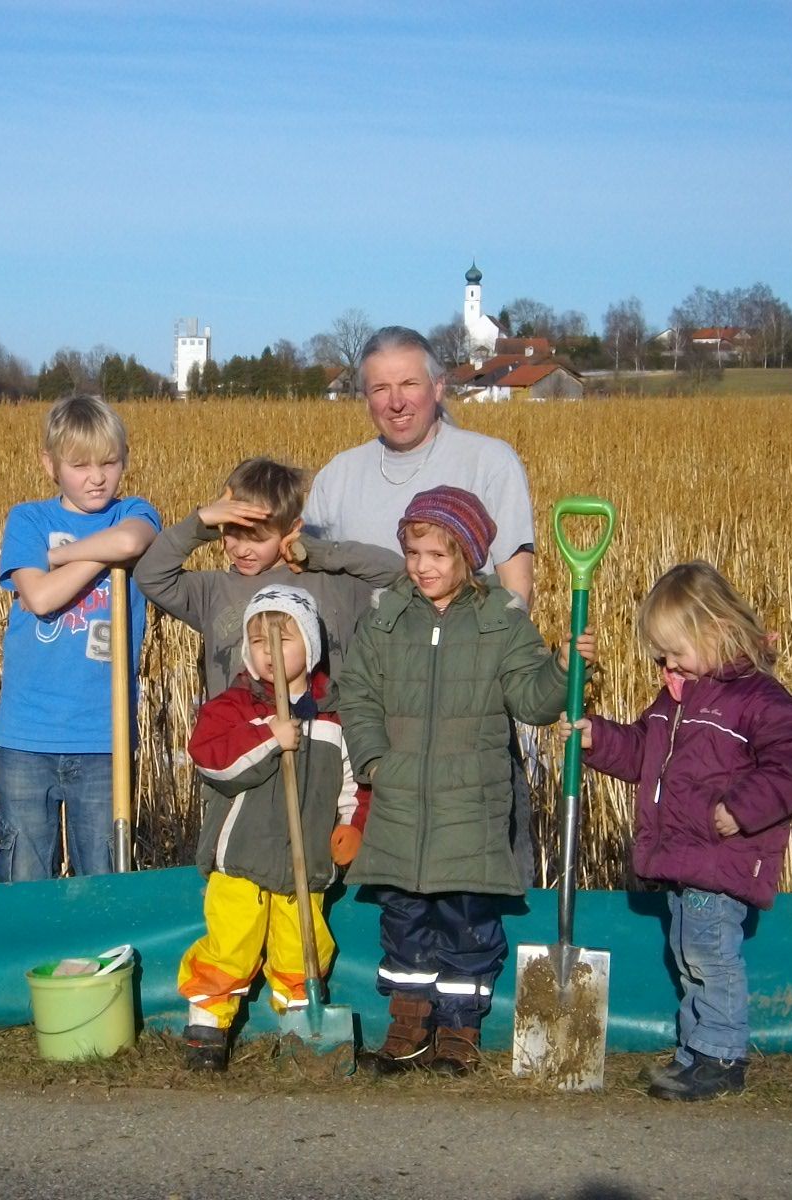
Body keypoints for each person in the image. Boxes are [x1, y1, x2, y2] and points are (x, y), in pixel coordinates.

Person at [338, 486, 589, 1075]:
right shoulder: (385, 617)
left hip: (471, 806)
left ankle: (459, 1034)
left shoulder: (500, 622)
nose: (423, 567)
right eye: (413, 553)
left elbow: (532, 702)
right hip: (401, 802)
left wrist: (562, 669)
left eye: (438, 556)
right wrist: (374, 761)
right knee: (403, 926)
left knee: (467, 926)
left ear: (468, 557)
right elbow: (357, 692)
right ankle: (407, 1029)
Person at [573, 561, 792, 1101]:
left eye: (675, 651)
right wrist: (598, 740)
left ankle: (722, 1056)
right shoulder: (676, 700)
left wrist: (742, 808)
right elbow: (643, 748)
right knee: (690, 956)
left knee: (709, 955)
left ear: (716, 630)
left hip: (722, 856)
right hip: (687, 858)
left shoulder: (758, 699)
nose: (667, 665)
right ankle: (695, 1052)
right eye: (660, 656)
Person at [304, 325, 542, 881]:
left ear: (438, 386)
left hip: (465, 708)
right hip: (370, 711)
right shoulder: (339, 476)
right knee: (373, 860)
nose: (396, 400)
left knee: (483, 864)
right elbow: (306, 576)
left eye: (409, 383)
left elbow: (515, 588)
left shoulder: (488, 461)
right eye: (379, 388)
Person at [176, 585, 361, 1071]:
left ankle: (303, 1032)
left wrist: (350, 825)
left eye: (284, 640)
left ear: (311, 649)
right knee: (229, 948)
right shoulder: (233, 708)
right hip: (242, 862)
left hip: (306, 868)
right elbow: (213, 762)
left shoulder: (332, 719)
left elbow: (350, 783)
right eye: (259, 642)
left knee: (304, 948)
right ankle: (207, 1029)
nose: (270, 653)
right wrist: (268, 737)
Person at [0, 394, 160, 881]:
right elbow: (40, 598)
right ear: (50, 464)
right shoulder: (29, 519)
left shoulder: (134, 511)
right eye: (80, 464)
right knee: (23, 873)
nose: (97, 477)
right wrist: (102, 558)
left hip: (104, 735)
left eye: (109, 462)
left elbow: (129, 542)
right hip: (27, 736)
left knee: (105, 874)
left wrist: (61, 558)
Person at [135, 456, 402, 697]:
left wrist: (318, 551)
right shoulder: (212, 591)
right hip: (242, 744)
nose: (241, 550)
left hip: (323, 740)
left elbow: (398, 574)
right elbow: (150, 575)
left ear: (292, 528)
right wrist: (199, 523)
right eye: (230, 534)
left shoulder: (330, 583)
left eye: (257, 539)